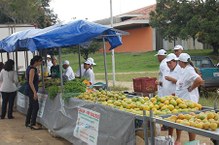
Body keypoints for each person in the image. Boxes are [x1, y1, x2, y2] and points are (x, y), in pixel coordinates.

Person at [174, 53, 203, 145]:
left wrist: (191, 88)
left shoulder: (189, 70)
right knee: (179, 121)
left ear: (182, 62)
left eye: (178, 61)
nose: (178, 62)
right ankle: (178, 140)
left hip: (189, 102)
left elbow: (199, 80)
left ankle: (192, 142)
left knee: (190, 123)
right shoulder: (183, 70)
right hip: (181, 101)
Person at [25, 56, 43, 130]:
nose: (41, 63)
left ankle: (27, 122)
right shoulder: (32, 69)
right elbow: (30, 82)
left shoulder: (30, 67)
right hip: (32, 90)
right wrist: (35, 93)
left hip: (30, 90)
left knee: (31, 106)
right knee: (36, 107)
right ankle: (32, 124)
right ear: (36, 62)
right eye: (40, 61)